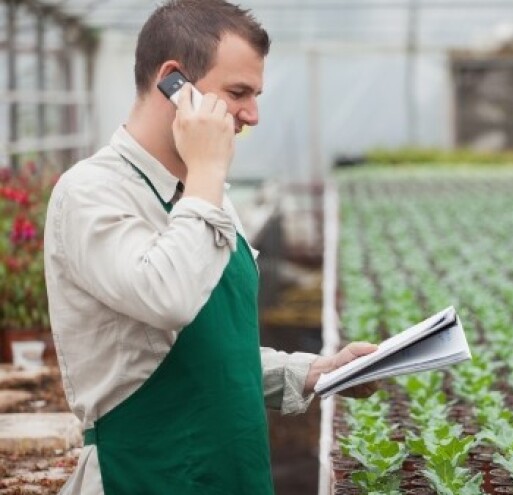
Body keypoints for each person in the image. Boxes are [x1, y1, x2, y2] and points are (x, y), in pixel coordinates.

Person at [44, 1, 377, 493]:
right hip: (145, 476)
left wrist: (313, 372)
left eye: (256, 95)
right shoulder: (91, 193)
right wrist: (205, 173)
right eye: (238, 92)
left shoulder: (207, 191)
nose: (253, 115)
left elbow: (209, 353)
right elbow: (168, 298)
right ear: (174, 83)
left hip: (235, 472)